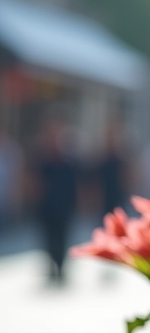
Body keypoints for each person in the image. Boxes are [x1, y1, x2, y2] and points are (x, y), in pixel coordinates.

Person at [33, 117, 80, 283]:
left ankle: (61, 267)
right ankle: (51, 265)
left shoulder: (69, 161)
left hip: (65, 206)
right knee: (49, 237)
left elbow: (76, 184)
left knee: (62, 237)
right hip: (47, 206)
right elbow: (35, 182)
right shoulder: (42, 159)